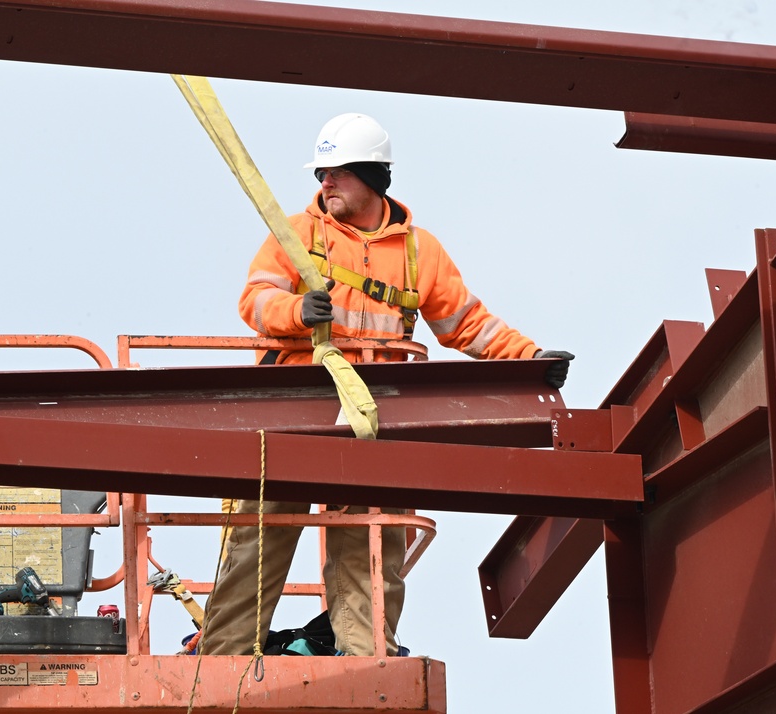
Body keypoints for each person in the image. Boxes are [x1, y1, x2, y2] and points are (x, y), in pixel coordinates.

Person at [198, 113, 574, 657]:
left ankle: (366, 657)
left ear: (372, 178)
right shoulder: (298, 233)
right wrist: (296, 311)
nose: (323, 183)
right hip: (293, 408)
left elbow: (466, 322)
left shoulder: (419, 252)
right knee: (263, 535)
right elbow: (254, 300)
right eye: (321, 173)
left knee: (370, 540)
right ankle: (222, 659)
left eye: (336, 173)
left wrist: (530, 357)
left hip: (370, 418)